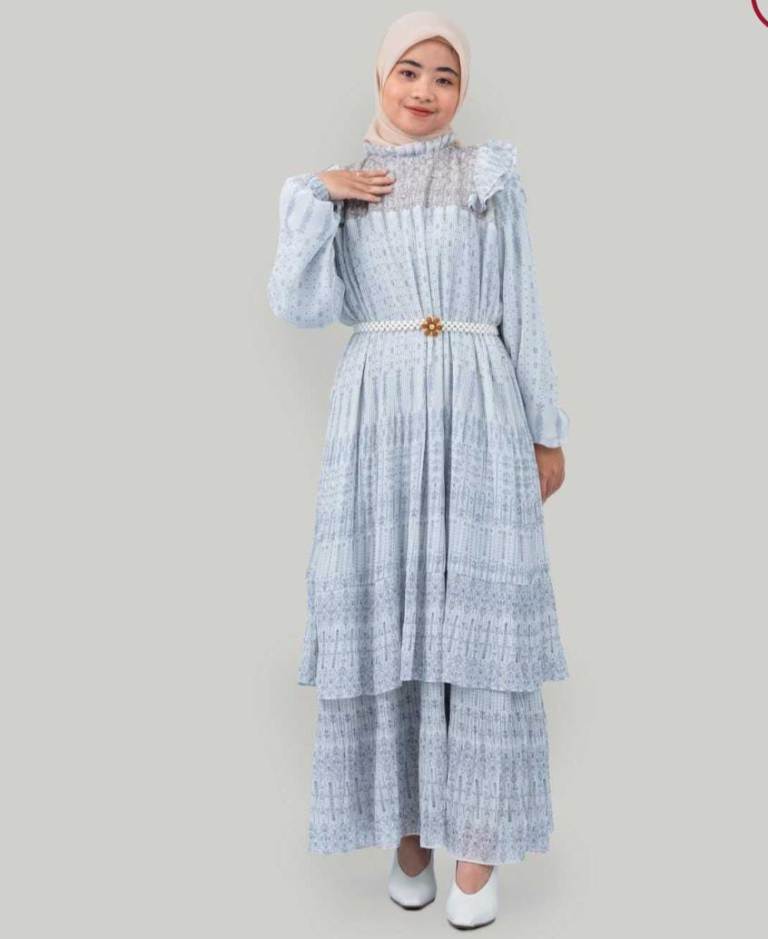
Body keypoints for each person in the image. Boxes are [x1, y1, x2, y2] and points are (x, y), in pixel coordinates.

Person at [267, 10, 570, 930]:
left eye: (446, 76)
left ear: (461, 90)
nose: (426, 90)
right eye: (409, 70)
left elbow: (522, 296)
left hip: (480, 403)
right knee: (389, 615)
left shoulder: (488, 176)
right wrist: (312, 196)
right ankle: (409, 839)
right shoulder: (343, 188)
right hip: (380, 418)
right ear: (380, 76)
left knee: (481, 623)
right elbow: (298, 305)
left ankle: (477, 851)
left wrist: (546, 429)